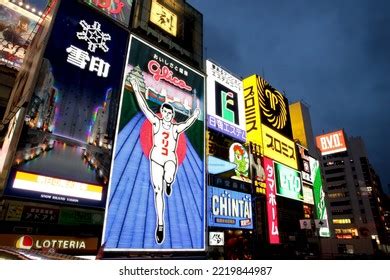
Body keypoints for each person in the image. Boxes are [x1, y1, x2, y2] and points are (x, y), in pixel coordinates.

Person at [130, 77, 200, 244]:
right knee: (157, 191)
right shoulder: (156, 122)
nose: (167, 114)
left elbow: (188, 122)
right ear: (163, 112)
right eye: (165, 112)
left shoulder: (175, 128)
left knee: (169, 173)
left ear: (172, 115)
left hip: (169, 159)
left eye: (170, 113)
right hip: (156, 159)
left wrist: (196, 114)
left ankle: (170, 181)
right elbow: (144, 107)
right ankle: (160, 224)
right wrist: (135, 88)